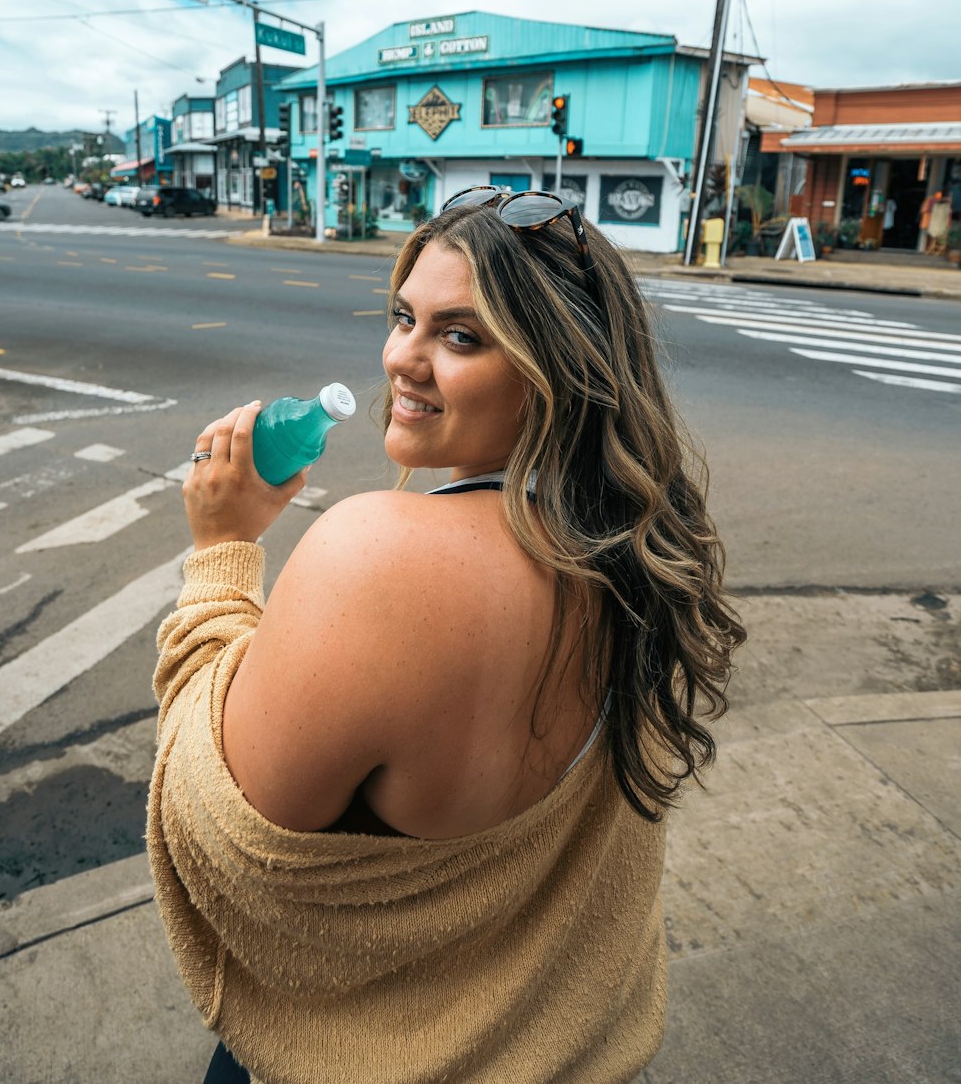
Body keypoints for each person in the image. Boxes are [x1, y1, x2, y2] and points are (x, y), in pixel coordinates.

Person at [148, 186, 746, 1084]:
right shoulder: (640, 550)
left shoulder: (378, 557)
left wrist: (223, 555)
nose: (402, 359)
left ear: (560, 368)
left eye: (460, 336)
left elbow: (220, 841)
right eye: (403, 318)